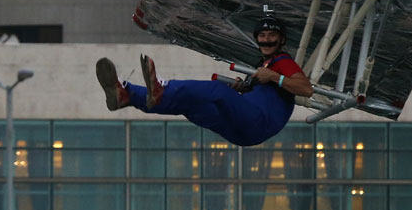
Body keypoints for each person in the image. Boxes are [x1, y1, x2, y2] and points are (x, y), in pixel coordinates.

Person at [95, 15, 313, 147]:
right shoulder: (261, 67)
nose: (266, 40)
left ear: (282, 40)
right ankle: (128, 96)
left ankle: (162, 88)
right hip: (243, 131)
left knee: (216, 90)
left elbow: (306, 89)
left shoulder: (282, 61)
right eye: (262, 35)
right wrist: (243, 89)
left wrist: (274, 76)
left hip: (258, 122)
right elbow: (265, 96)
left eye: (271, 35)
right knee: (191, 105)